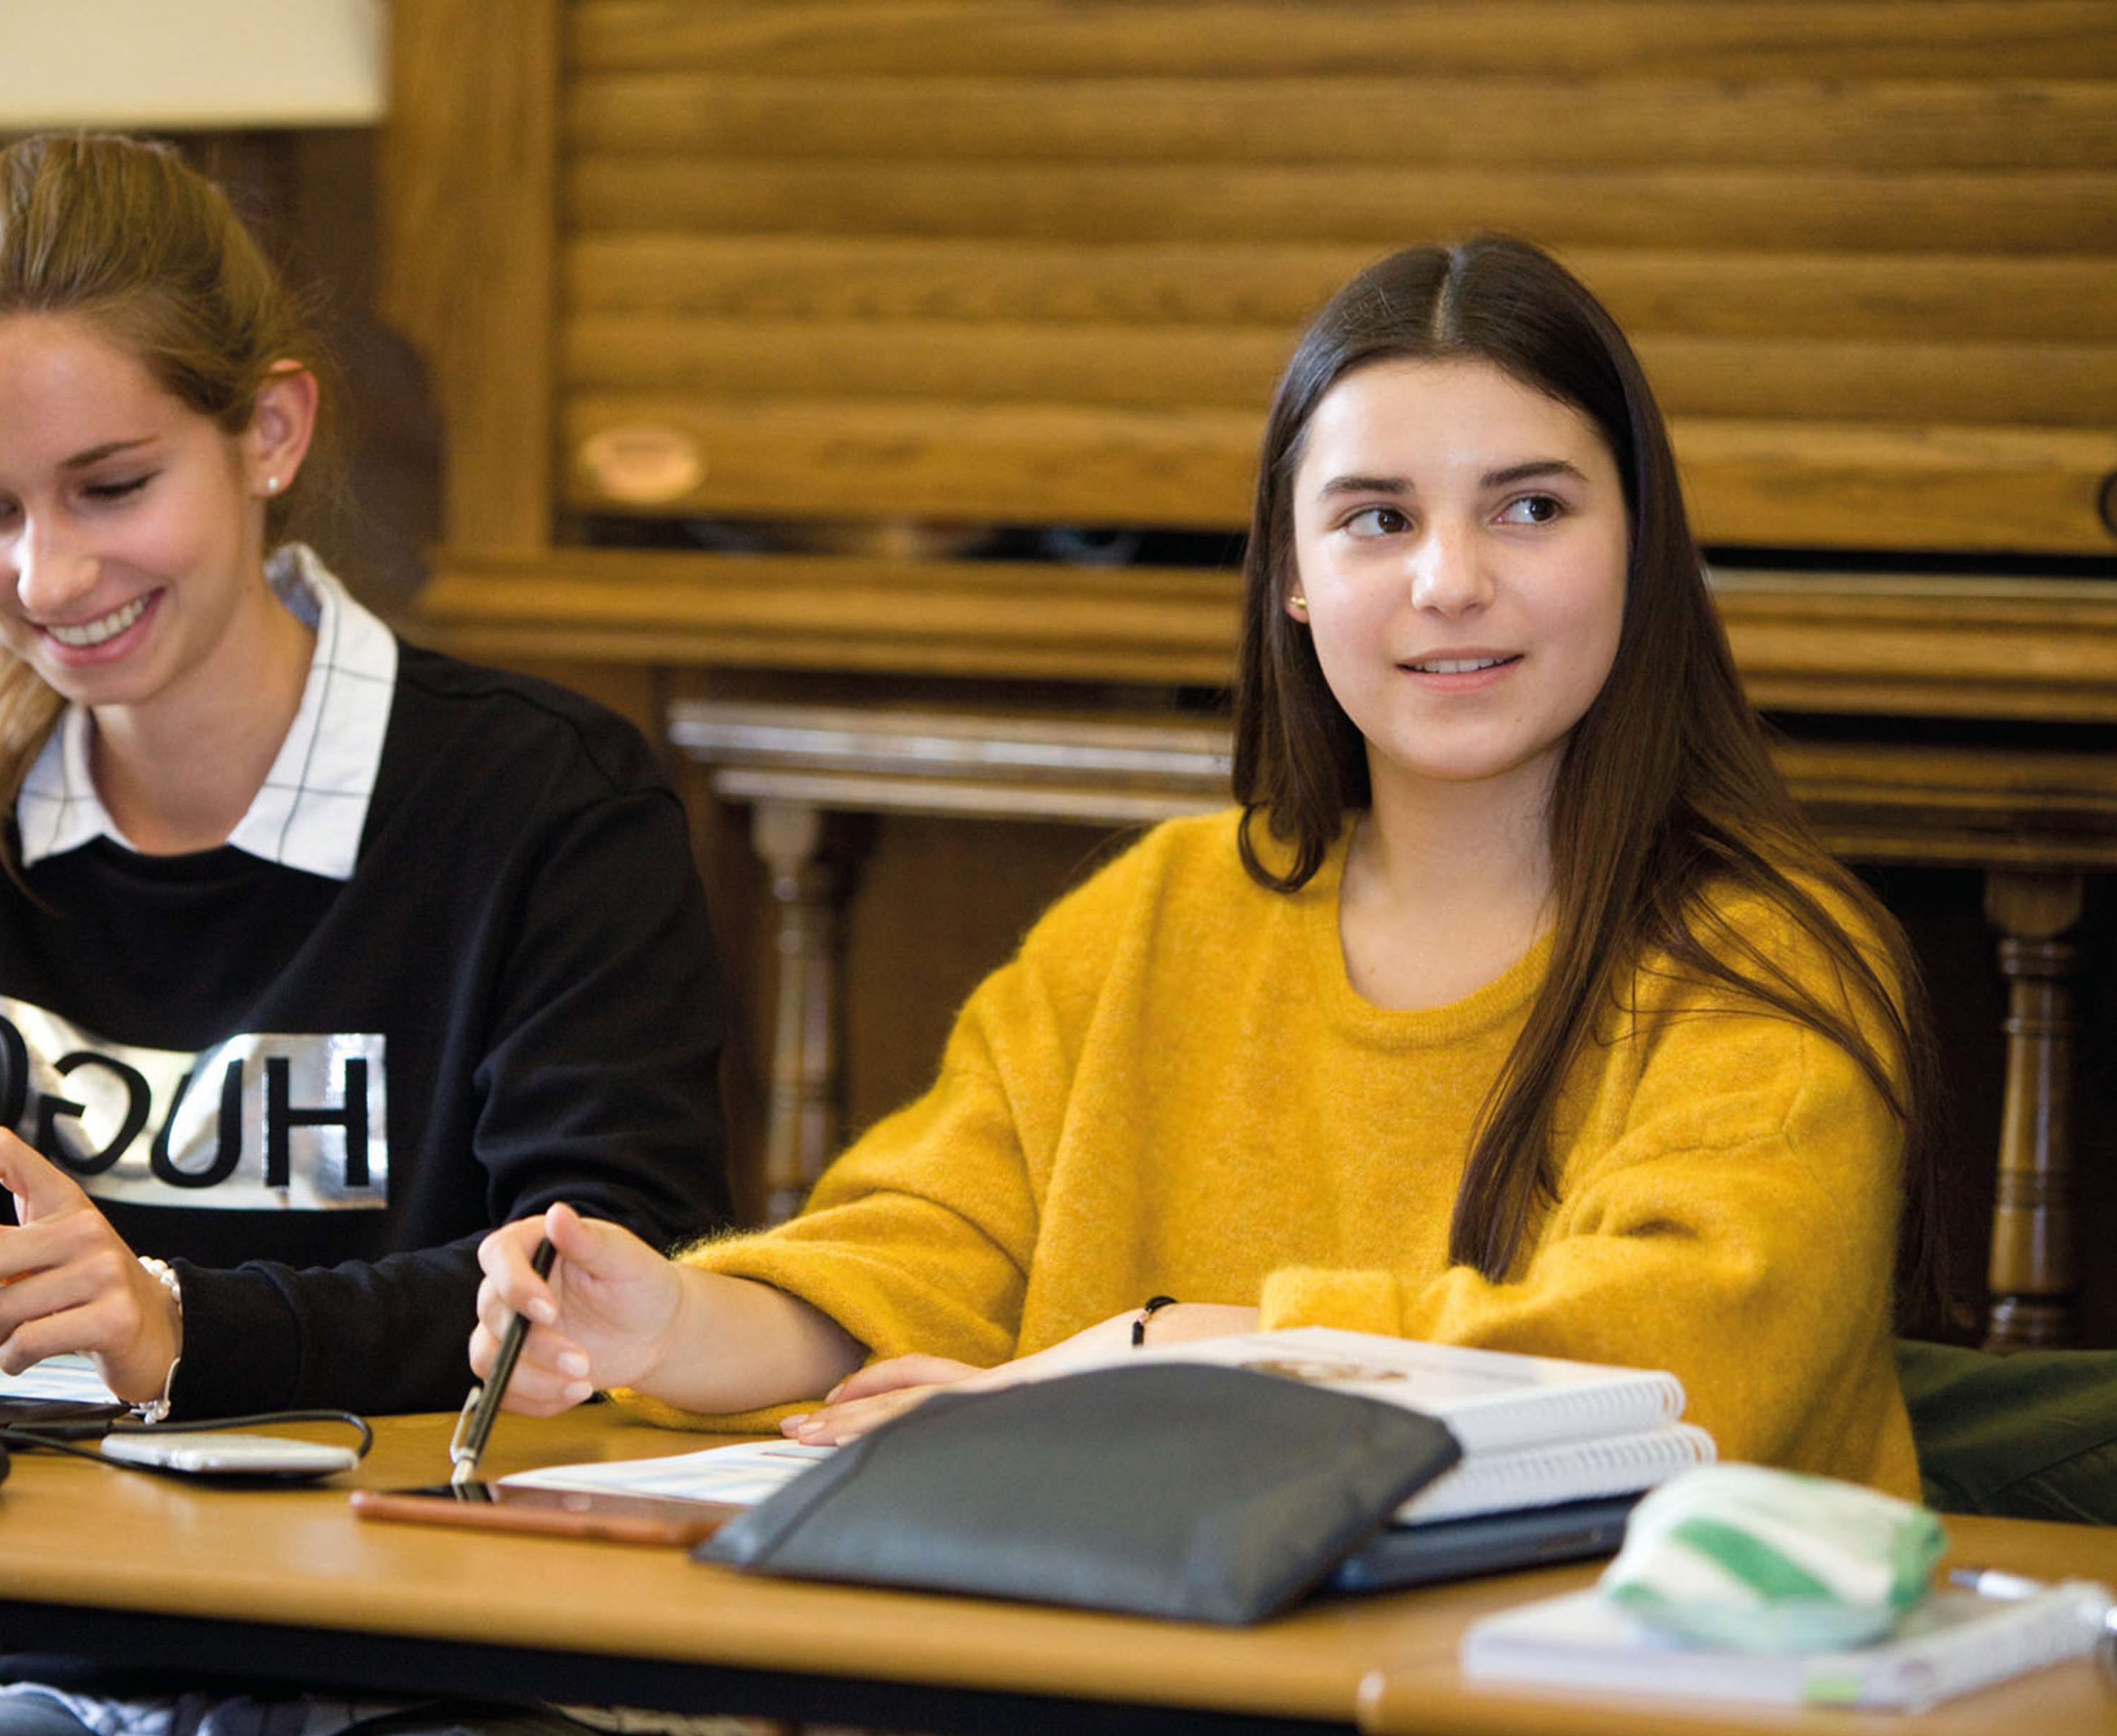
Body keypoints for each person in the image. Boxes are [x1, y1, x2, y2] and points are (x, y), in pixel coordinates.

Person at [470, 237, 1940, 1504]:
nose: (1449, 580)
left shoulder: (1773, 959)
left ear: (1638, 545)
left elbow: (1674, 1363)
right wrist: (667, 1321)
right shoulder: (1161, 913)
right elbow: (923, 1261)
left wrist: (1163, 1347)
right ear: (1293, 574)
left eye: (1531, 506)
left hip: (1581, 1722)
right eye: (1378, 517)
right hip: (1151, 1716)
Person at [0, 132, 741, 1736]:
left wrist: (169, 1320)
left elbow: (583, 1295)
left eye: (112, 488)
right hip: (97, 1677)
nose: (46, 578)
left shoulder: (547, 800)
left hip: (506, 1684)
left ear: (270, 431)